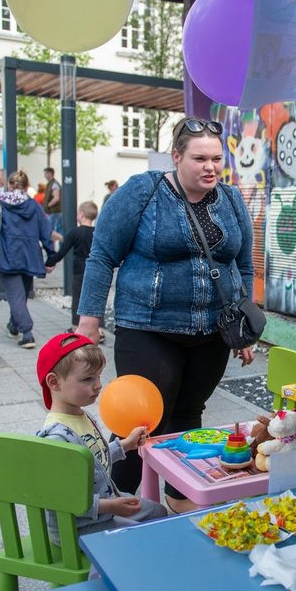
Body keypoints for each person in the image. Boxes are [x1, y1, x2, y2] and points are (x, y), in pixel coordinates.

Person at [75, 117, 255, 514]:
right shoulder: (143, 191)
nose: (210, 167)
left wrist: (245, 328)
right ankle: (106, 505)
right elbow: (102, 255)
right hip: (148, 328)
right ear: (176, 156)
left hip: (212, 333)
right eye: (199, 158)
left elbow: (243, 266)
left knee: (189, 414)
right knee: (140, 423)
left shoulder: (231, 199)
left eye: (216, 159)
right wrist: (89, 319)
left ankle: (178, 495)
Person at [35, 333, 166, 544]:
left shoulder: (80, 415)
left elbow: (92, 459)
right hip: (78, 527)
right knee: (150, 537)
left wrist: (125, 445)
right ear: (54, 382)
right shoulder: (56, 437)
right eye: (88, 379)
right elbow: (62, 500)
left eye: (98, 376)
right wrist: (111, 506)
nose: (98, 385)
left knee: (158, 511)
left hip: (101, 508)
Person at [0, 170, 55, 349]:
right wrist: (51, 256)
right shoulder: (34, 205)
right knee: (20, 295)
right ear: (26, 186)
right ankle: (13, 325)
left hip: (8, 253)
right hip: (30, 255)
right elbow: (45, 230)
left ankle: (27, 333)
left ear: (9, 185)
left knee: (16, 296)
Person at [45, 201, 103, 340]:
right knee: (95, 299)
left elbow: (62, 252)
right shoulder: (98, 233)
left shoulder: (75, 232)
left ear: (81, 214)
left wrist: (49, 263)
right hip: (96, 270)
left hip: (79, 270)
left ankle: (76, 327)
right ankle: (99, 330)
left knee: (78, 298)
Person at [42, 167, 62, 237]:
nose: (44, 175)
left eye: (45, 173)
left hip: (54, 211)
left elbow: (56, 198)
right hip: (52, 212)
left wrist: (48, 205)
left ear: (50, 173)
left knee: (50, 230)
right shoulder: (50, 184)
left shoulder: (54, 184)